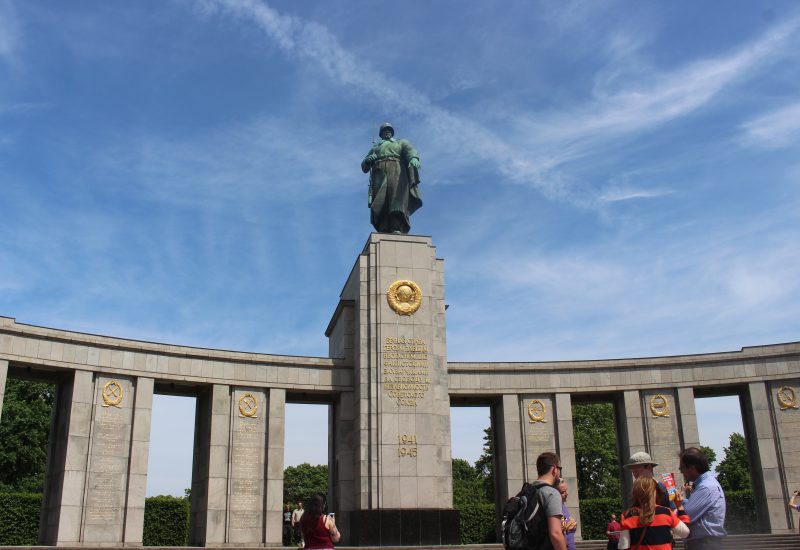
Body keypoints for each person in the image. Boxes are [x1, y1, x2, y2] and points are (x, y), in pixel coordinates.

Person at [361, 122, 422, 234]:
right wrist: (367, 160)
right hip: (379, 173)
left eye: (389, 129)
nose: (387, 131)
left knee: (396, 200)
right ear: (381, 133)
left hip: (397, 171)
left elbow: (410, 150)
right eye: (385, 130)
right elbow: (364, 167)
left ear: (392, 132)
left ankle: (396, 226)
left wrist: (414, 158)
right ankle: (383, 227)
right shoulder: (376, 148)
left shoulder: (400, 142)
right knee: (381, 201)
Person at [618, 477, 690, 550]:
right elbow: (685, 533)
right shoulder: (666, 512)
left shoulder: (627, 516)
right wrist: (680, 507)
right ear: (655, 492)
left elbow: (623, 546)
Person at [677, 447, 726, 549]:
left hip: (704, 544)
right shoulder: (705, 485)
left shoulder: (706, 487)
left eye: (682, 468)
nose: (682, 472)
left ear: (692, 468)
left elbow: (686, 516)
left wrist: (676, 506)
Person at [530, 452, 567, 550]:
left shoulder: (527, 491)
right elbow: (555, 533)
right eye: (560, 469)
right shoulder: (551, 493)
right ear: (555, 469)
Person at [557, 480, 577, 550]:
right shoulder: (555, 508)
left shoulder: (563, 506)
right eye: (563, 492)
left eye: (566, 490)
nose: (567, 494)